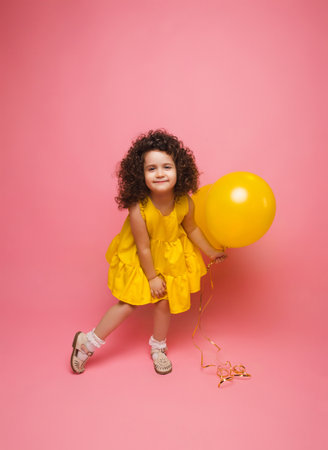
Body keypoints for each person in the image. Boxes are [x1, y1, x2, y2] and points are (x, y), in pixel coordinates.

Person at [70, 129, 227, 375]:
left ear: (180, 170)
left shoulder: (185, 201)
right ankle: (87, 342)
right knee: (128, 303)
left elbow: (192, 228)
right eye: (151, 169)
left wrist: (211, 251)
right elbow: (143, 246)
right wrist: (152, 277)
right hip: (142, 257)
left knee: (164, 303)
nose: (160, 173)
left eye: (167, 166)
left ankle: (158, 347)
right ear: (140, 175)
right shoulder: (139, 208)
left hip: (169, 257)